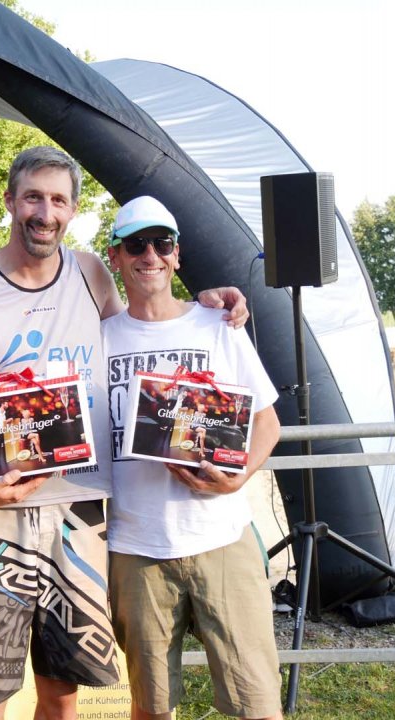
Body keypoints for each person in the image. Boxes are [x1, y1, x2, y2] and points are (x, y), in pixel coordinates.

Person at [0, 146, 248, 720]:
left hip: (81, 512)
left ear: (73, 210)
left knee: (62, 695)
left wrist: (206, 305)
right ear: (9, 201)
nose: (44, 211)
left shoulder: (90, 273)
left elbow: (144, 321)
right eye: (33, 196)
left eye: (58, 200)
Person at [102, 196, 283, 719]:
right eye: (136, 244)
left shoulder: (217, 325)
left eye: (162, 243)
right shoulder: (98, 339)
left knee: (256, 703)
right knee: (152, 707)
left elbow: (267, 422)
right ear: (116, 256)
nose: (150, 255)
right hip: (136, 548)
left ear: (177, 255)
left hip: (222, 539)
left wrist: (238, 477)